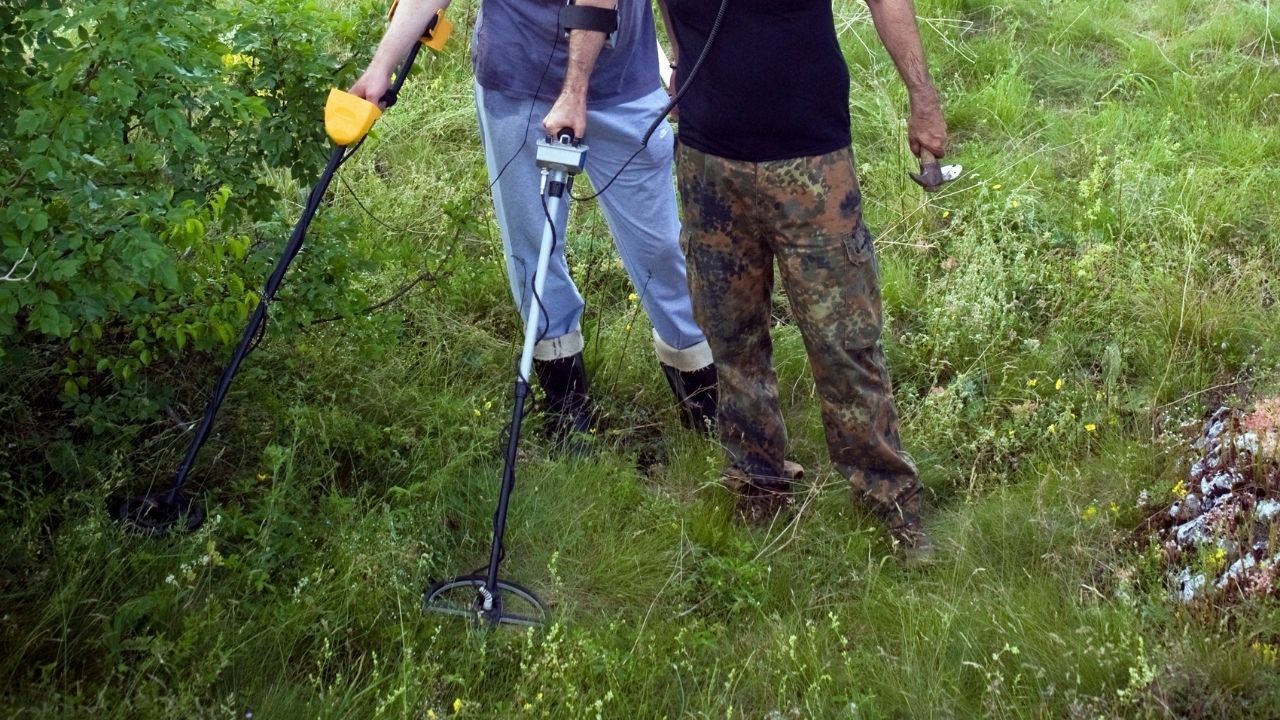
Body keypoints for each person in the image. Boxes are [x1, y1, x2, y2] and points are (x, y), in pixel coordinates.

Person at [651, 0, 947, 556]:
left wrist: (922, 97)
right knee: (730, 334)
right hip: (708, 162)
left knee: (844, 339)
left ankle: (887, 496)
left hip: (812, 159)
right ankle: (757, 478)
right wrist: (679, 64)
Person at [350, 0, 718, 443]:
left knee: (660, 251)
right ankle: (567, 413)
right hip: (515, 81)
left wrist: (681, 57)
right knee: (532, 248)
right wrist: (380, 66)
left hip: (624, 87)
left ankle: (707, 408)